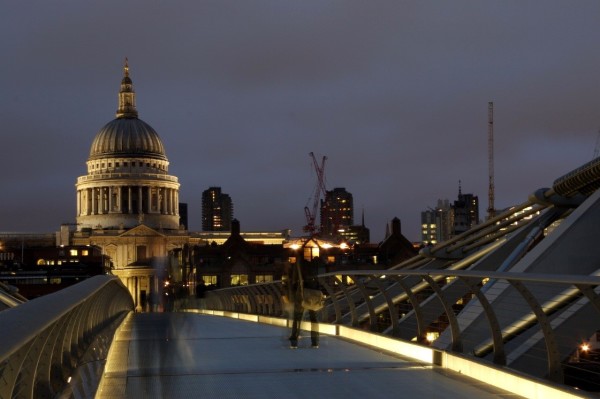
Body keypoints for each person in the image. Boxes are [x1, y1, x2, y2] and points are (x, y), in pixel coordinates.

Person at [287, 259, 320, 349]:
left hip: (301, 293)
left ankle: (294, 342)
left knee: (297, 318)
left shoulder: (297, 265)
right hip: (313, 293)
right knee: (314, 318)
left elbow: (293, 282)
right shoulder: (315, 264)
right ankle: (315, 342)